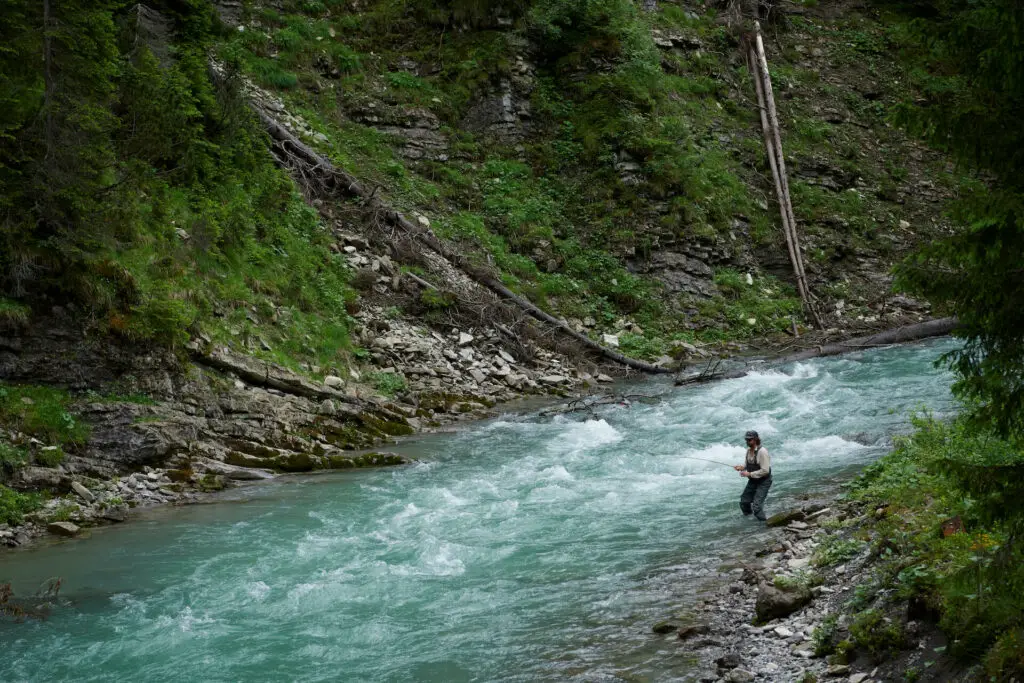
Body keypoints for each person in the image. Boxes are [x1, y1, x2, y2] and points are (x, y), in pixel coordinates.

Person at [733, 430, 772, 521]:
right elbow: (748, 465)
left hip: (764, 481)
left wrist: (749, 474)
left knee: (757, 507)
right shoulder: (748, 451)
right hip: (753, 480)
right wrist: (742, 468)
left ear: (755, 439)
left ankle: (766, 525)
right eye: (746, 440)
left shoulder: (762, 452)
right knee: (744, 502)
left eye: (749, 440)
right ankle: (751, 521)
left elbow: (765, 470)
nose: (747, 442)